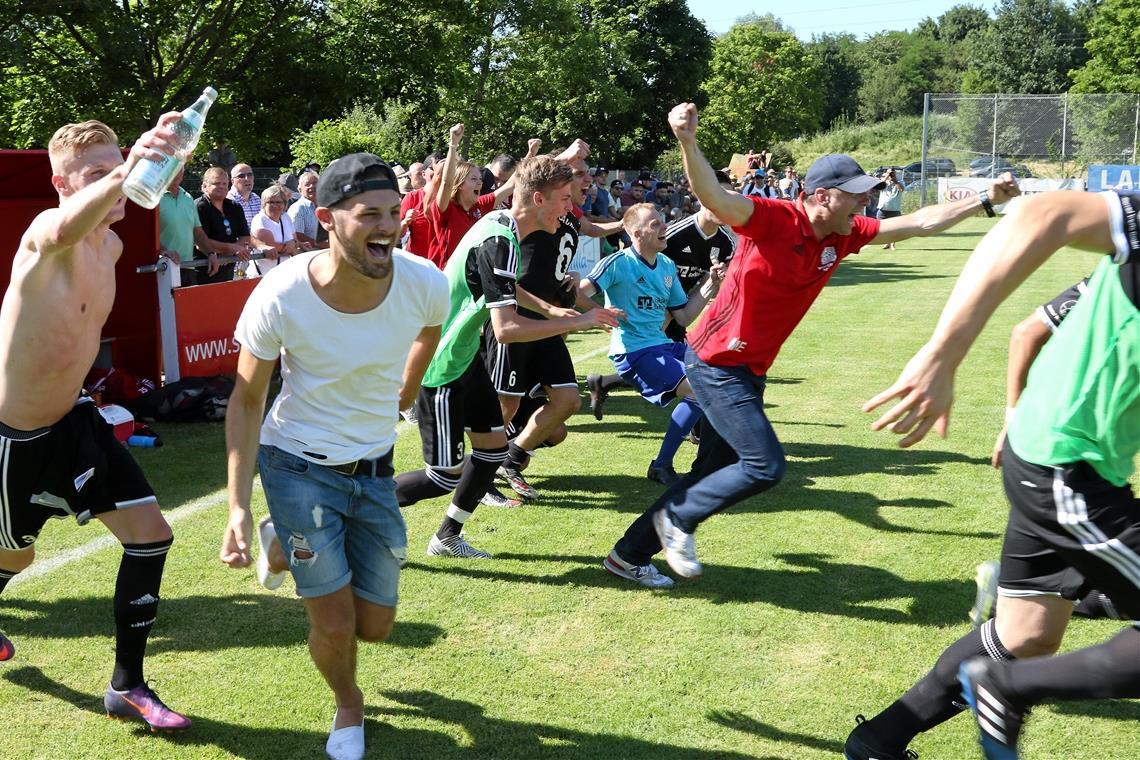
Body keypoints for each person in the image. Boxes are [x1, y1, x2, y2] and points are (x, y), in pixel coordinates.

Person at [604, 102, 1019, 587]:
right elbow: (714, 196)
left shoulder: (842, 233)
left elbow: (922, 223)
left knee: (718, 466)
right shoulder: (772, 219)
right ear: (821, 196)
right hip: (716, 362)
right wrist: (687, 141)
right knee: (764, 466)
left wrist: (985, 201)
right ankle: (674, 521)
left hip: (748, 368)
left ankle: (628, 554)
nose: (865, 204)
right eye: (856, 196)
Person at [847, 189, 1139, 760]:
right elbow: (1040, 214)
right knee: (1016, 659)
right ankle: (1005, 689)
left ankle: (878, 740)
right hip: (1067, 467)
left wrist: (1014, 416)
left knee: (1025, 635)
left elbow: (1036, 329)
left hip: (1057, 458)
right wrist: (943, 352)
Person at [222, 154, 449, 760]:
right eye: (369, 214)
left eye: (394, 213)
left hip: (374, 470)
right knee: (335, 621)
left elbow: (430, 328)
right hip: (296, 464)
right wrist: (237, 506)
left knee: (376, 625)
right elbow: (246, 401)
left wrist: (406, 388)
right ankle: (349, 706)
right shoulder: (281, 293)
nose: (388, 226)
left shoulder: (425, 282)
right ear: (326, 218)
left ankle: (282, 538)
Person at [0, 116, 191, 729]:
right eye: (97, 175)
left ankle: (126, 685)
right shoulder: (45, 234)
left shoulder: (111, 245)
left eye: (119, 168)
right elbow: (64, 223)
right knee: (15, 562)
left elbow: (155, 178)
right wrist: (130, 167)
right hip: (15, 437)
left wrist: (165, 148)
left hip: (75, 424)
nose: (118, 182)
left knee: (151, 536)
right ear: (61, 182)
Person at [394, 156, 619, 558]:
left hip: (465, 358)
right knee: (444, 477)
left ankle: (447, 537)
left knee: (493, 450)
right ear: (536, 198)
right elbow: (506, 329)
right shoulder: (499, 240)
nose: (570, 209)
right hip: (441, 362)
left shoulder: (506, 232)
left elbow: (505, 287)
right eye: (564, 199)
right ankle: (347, 509)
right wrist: (577, 322)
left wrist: (551, 311)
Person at [481, 146, 624, 501]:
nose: (587, 180)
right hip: (519, 319)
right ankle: (480, 475)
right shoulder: (532, 217)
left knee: (568, 400)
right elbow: (534, 177)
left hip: (552, 320)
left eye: (587, 174)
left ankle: (511, 460)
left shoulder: (567, 218)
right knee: (506, 404)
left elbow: (570, 256)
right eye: (578, 174)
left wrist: (580, 301)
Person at [581, 203, 724, 493]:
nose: (663, 227)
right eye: (655, 224)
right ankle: (662, 465)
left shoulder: (667, 265)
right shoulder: (618, 263)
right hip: (633, 350)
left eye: (662, 221)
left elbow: (682, 315)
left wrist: (711, 284)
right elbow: (580, 291)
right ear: (636, 233)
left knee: (717, 377)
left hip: (662, 344)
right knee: (700, 389)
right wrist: (598, 314)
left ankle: (709, 461)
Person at [587, 170, 738, 421]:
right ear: (704, 197)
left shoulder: (726, 243)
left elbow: (704, 287)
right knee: (680, 376)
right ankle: (682, 445)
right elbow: (650, 268)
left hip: (678, 305)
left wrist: (714, 284)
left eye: (730, 198)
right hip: (660, 310)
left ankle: (603, 383)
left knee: (691, 372)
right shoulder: (674, 234)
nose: (726, 204)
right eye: (720, 197)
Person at [426, 125, 537, 269]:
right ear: (459, 184)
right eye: (473, 179)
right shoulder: (446, 208)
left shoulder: (479, 206)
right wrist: (453, 144)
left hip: (467, 280)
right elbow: (447, 183)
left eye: (480, 178)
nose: (480, 182)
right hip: (442, 278)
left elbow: (510, 185)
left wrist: (530, 155)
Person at [157, 165, 219, 286]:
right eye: (173, 166)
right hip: (162, 269)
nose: (176, 171)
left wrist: (211, 253)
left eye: (179, 167)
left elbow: (198, 233)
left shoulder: (188, 198)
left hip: (187, 269)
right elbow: (144, 234)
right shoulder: (154, 197)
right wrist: (164, 251)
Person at [196, 167, 253, 283]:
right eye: (216, 183)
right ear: (204, 186)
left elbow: (245, 236)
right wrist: (231, 249)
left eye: (224, 183)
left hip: (228, 271)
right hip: (204, 271)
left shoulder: (234, 207)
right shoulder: (199, 208)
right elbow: (200, 241)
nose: (221, 186)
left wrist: (231, 251)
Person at [248, 183, 297, 277]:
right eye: (270, 202)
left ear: (284, 204)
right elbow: (271, 245)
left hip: (283, 274)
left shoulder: (286, 217)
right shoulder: (259, 220)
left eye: (278, 202)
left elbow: (295, 240)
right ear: (264, 204)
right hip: (261, 276)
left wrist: (294, 244)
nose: (275, 205)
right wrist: (290, 246)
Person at [288, 170, 324, 250]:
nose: (312, 186)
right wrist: (321, 245)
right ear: (300, 190)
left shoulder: (323, 206)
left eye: (315, 183)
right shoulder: (298, 208)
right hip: (307, 255)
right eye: (307, 184)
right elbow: (297, 235)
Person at [877, 169, 905, 249]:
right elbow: (878, 187)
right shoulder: (884, 181)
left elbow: (901, 189)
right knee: (882, 228)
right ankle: (887, 242)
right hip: (883, 208)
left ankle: (893, 244)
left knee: (894, 228)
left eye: (892, 173)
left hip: (894, 209)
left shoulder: (900, 181)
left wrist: (895, 181)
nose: (891, 175)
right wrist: (886, 176)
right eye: (889, 173)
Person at [228, 163, 261, 229]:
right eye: (241, 176)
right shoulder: (229, 200)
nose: (247, 179)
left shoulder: (256, 198)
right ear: (232, 181)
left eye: (250, 175)